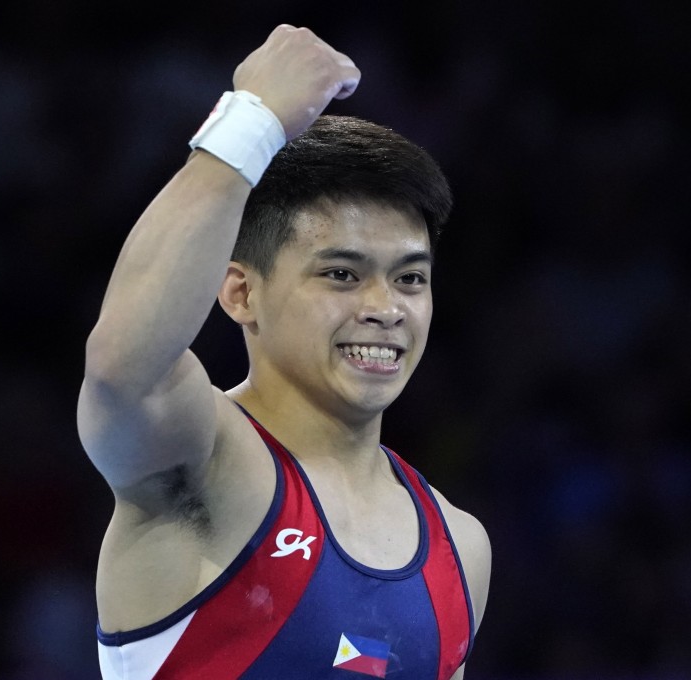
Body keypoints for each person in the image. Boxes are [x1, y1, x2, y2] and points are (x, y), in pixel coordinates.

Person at [77, 24, 491, 679]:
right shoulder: (202, 458)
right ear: (241, 293)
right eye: (342, 274)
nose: (385, 309)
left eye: (410, 278)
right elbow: (122, 370)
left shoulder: (459, 545)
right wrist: (253, 119)